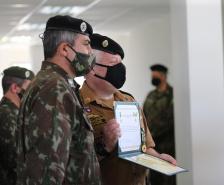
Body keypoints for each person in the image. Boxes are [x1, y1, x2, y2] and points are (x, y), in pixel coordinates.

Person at [79, 33, 177, 185]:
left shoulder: (129, 101)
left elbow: (145, 148)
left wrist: (158, 158)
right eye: (113, 63)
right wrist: (105, 146)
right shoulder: (75, 105)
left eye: (120, 63)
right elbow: (73, 164)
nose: (120, 69)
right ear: (92, 67)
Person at [16, 15, 103, 185]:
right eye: (86, 44)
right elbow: (47, 169)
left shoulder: (53, 82)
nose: (91, 52)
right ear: (64, 49)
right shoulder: (55, 88)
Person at [0, 66, 34, 185]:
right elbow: (16, 159)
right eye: (29, 88)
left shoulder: (17, 114)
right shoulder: (6, 115)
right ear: (14, 87)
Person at [143, 64, 175, 185]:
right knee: (154, 178)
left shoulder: (172, 95)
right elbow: (143, 116)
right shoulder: (151, 95)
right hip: (153, 147)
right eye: (152, 76)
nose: (153, 78)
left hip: (167, 146)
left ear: (164, 76)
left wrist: (151, 135)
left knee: (168, 179)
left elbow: (170, 120)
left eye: (155, 76)